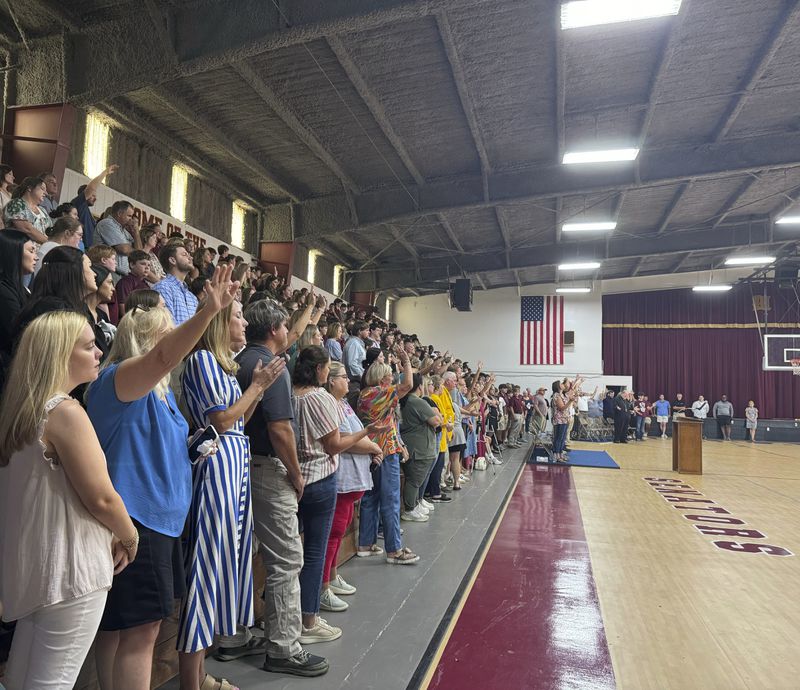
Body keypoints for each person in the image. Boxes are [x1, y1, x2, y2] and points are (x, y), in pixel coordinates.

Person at [87, 264, 240, 690]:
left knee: (122, 628)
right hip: (139, 521)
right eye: (170, 331)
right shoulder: (116, 380)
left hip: (159, 522)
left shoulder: (157, 395)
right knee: (142, 633)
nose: (179, 343)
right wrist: (207, 313)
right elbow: (162, 358)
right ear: (153, 339)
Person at [0, 311, 138, 690]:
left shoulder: (21, 413)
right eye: (88, 345)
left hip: (37, 570)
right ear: (61, 354)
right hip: (70, 572)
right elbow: (102, 497)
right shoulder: (65, 412)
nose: (98, 353)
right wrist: (130, 536)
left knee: (21, 680)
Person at [177, 299, 285, 688]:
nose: (244, 322)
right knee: (207, 571)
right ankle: (191, 679)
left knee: (227, 566)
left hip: (235, 462)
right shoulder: (202, 360)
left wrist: (257, 390)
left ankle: (201, 672)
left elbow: (239, 417)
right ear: (220, 321)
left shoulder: (224, 366)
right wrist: (256, 386)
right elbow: (220, 420)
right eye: (237, 315)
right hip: (218, 464)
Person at [226, 299, 329, 677]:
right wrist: (297, 473)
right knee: (287, 559)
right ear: (274, 330)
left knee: (243, 553)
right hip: (267, 468)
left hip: (240, 466)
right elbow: (280, 428)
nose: (289, 333)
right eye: (286, 326)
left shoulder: (238, 359)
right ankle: (284, 647)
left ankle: (233, 635)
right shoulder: (272, 367)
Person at [293, 346, 387, 643]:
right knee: (322, 544)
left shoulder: (315, 398)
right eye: (343, 376)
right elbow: (336, 443)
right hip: (326, 476)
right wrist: (369, 438)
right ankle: (313, 606)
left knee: (322, 541)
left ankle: (325, 585)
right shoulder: (320, 399)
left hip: (320, 476)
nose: (348, 380)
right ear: (325, 375)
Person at [320, 362, 383, 613]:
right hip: (341, 476)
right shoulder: (328, 404)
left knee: (340, 529)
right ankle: (323, 587)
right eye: (344, 377)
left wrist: (372, 447)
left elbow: (358, 433)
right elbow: (344, 441)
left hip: (353, 477)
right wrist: (374, 447)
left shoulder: (344, 404)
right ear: (331, 381)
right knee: (333, 533)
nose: (348, 381)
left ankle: (333, 576)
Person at [357, 355, 418, 564]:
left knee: (370, 498)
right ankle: (394, 549)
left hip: (371, 450)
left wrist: (400, 443)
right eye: (390, 376)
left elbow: (390, 421)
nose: (393, 379)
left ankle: (365, 544)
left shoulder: (365, 393)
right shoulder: (379, 394)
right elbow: (408, 384)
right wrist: (407, 362)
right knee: (391, 499)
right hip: (385, 451)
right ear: (382, 378)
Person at [399, 373, 443, 521]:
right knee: (414, 480)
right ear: (419, 386)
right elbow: (436, 420)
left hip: (412, 445)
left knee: (414, 479)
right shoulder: (417, 402)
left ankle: (414, 504)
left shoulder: (406, 401)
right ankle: (410, 509)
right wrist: (439, 417)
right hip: (419, 448)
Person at [0, 230, 36, 372]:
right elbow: (17, 333)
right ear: (14, 253)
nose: (36, 257)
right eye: (31, 251)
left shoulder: (19, 287)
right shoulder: (3, 291)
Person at [70, 164, 118, 247]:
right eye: (92, 195)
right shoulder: (78, 204)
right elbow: (91, 188)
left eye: (95, 196)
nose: (95, 199)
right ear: (84, 194)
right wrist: (105, 172)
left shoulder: (87, 212)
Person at [153, 243, 199, 325]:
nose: (191, 257)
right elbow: (167, 327)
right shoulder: (162, 287)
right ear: (172, 260)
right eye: (184, 254)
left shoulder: (192, 297)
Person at [94, 200, 139, 277]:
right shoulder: (107, 223)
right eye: (129, 216)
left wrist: (136, 232)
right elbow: (124, 250)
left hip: (120, 274)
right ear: (119, 214)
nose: (131, 220)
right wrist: (135, 250)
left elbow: (140, 253)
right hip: (107, 271)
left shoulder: (124, 231)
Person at [3, 175, 53, 243]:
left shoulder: (43, 210)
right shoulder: (16, 204)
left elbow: (51, 231)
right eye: (42, 188)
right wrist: (50, 243)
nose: (46, 193)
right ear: (30, 188)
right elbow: (27, 230)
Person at [113, 250, 151, 322]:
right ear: (132, 265)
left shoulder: (145, 284)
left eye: (149, 265)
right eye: (143, 264)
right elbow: (123, 308)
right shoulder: (125, 282)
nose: (147, 267)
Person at [551, 380, 571, 461]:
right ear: (558, 387)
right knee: (559, 438)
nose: (563, 385)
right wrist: (570, 401)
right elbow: (562, 408)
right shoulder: (556, 395)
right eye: (561, 384)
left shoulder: (562, 395)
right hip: (560, 420)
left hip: (564, 419)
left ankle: (561, 453)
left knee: (563, 438)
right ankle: (557, 455)